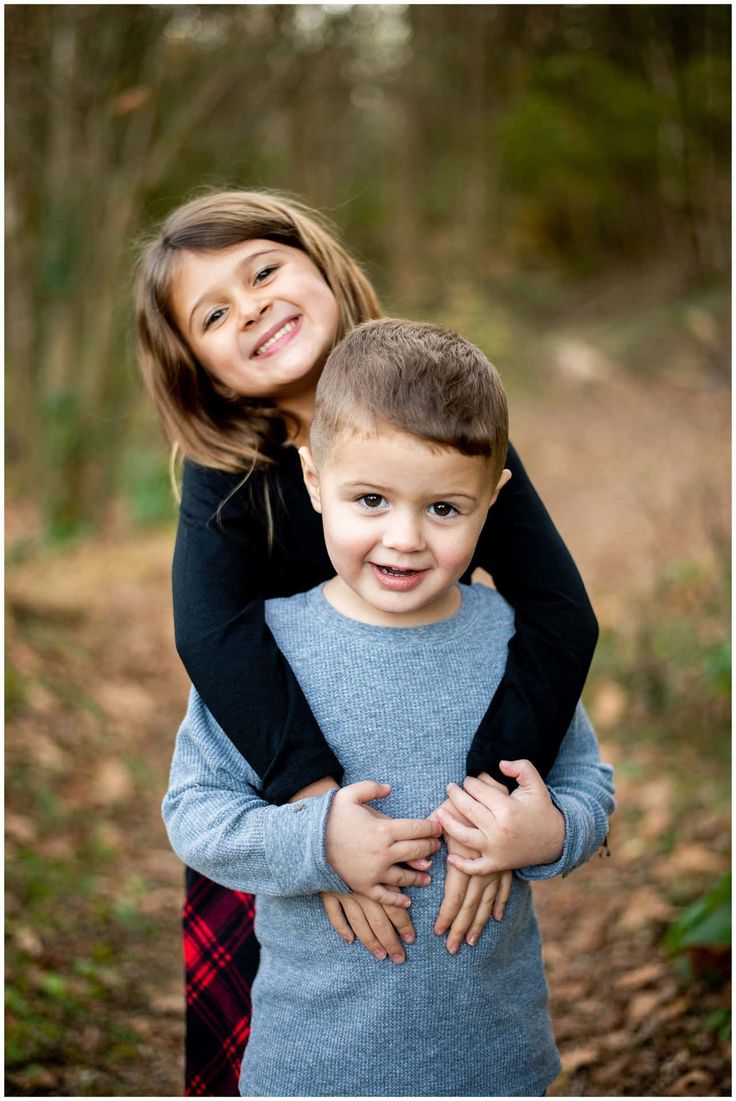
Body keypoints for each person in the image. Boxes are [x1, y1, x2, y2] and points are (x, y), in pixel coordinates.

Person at [136, 189, 599, 1095]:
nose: (254, 307)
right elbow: (211, 634)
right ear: (201, 367)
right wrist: (320, 818)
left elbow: (558, 612)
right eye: (215, 312)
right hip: (280, 785)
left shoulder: (435, 409)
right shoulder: (225, 471)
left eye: (264, 271)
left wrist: (490, 800)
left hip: (437, 788)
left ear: (318, 263)